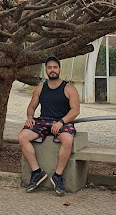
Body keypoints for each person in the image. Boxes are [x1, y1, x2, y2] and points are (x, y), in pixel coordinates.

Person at [18, 56, 80, 195]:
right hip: (43, 121)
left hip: (62, 121)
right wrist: (29, 118)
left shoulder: (69, 89)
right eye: (49, 68)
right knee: (22, 136)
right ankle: (37, 172)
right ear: (46, 70)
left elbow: (75, 110)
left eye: (55, 67)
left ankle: (57, 176)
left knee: (68, 140)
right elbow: (31, 107)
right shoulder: (40, 88)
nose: (52, 70)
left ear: (59, 69)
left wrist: (61, 122)